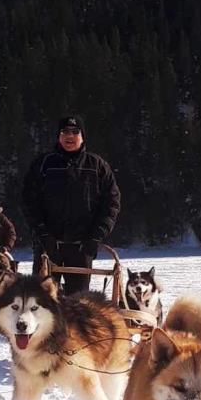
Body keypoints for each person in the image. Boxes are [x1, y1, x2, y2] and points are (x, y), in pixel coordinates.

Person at [22, 115, 121, 294]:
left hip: (81, 248)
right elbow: (29, 202)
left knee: (77, 305)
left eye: (75, 132)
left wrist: (96, 236)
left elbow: (111, 203)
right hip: (48, 246)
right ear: (58, 136)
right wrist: (43, 234)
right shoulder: (43, 163)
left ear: (82, 136)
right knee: (40, 303)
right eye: (64, 132)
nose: (70, 136)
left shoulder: (97, 165)